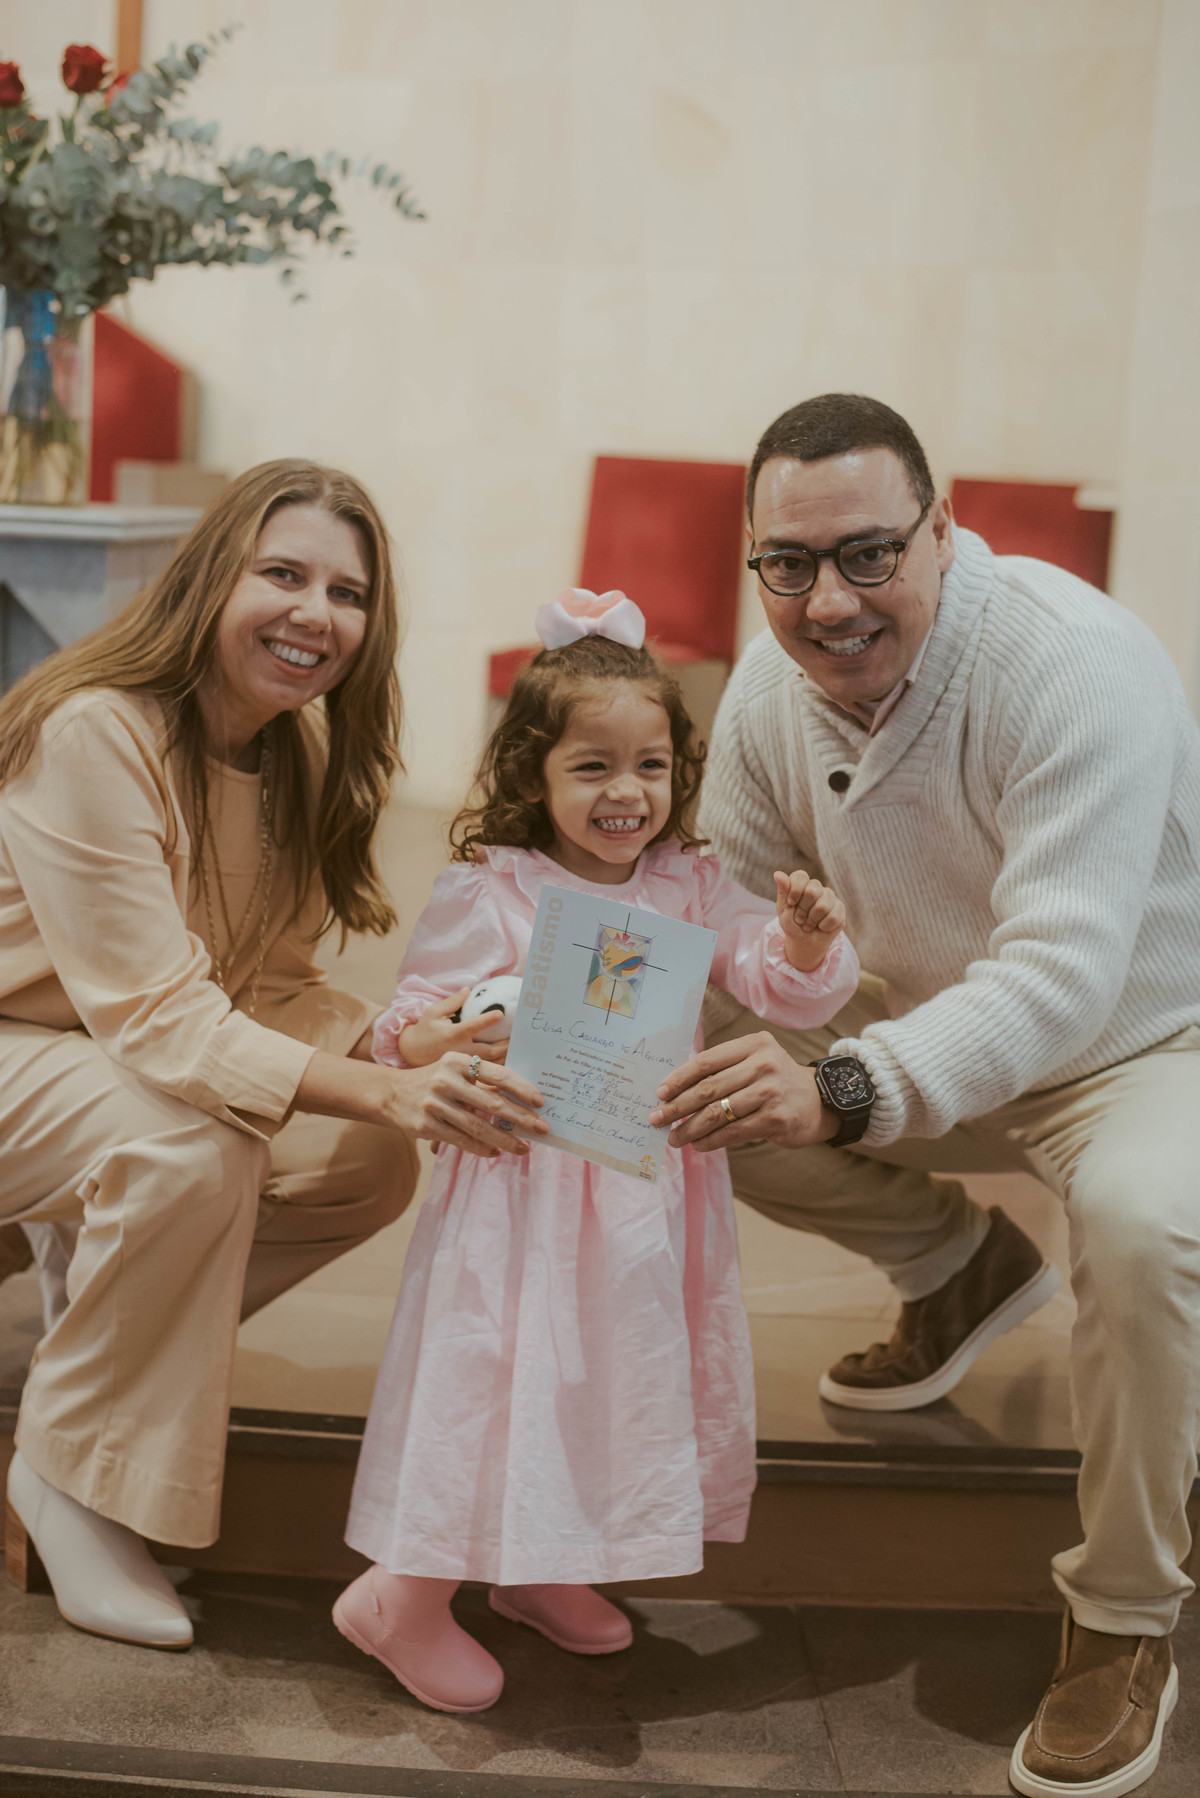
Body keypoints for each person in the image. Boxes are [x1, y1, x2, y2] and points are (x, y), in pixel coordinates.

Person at [649, 393, 1200, 1796]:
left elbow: (1063, 974)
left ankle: (1125, 1613)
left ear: (945, 531)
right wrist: (533, 1027)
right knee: (680, 1083)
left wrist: (842, 1083)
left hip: (1142, 1043)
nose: (829, 602)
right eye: (789, 564)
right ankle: (958, 1268)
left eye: (870, 553)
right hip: (924, 1020)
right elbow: (711, 917)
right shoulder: (768, 692)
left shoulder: (1074, 661)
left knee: (1141, 1228)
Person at [0, 460, 547, 1654]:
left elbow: (271, 983)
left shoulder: (288, 755)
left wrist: (413, 1040)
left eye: (348, 593)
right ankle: (68, 1475)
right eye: (284, 574)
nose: (317, 613)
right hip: (27, 1050)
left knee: (365, 1163)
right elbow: (159, 1019)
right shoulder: (93, 728)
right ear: (210, 578)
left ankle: (94, 1355)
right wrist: (391, 1085)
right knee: (192, 1144)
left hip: (92, 1066)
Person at [333, 590, 859, 1713]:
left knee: (606, 1372)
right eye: (592, 767)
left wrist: (804, 942)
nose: (628, 792)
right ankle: (401, 1596)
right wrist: (460, 1026)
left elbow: (767, 976)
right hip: (521, 1185)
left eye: (651, 766)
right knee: (499, 1371)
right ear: (533, 775)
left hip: (639, 1185)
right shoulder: (495, 888)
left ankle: (542, 1562)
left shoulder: (688, 884)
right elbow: (405, 1024)